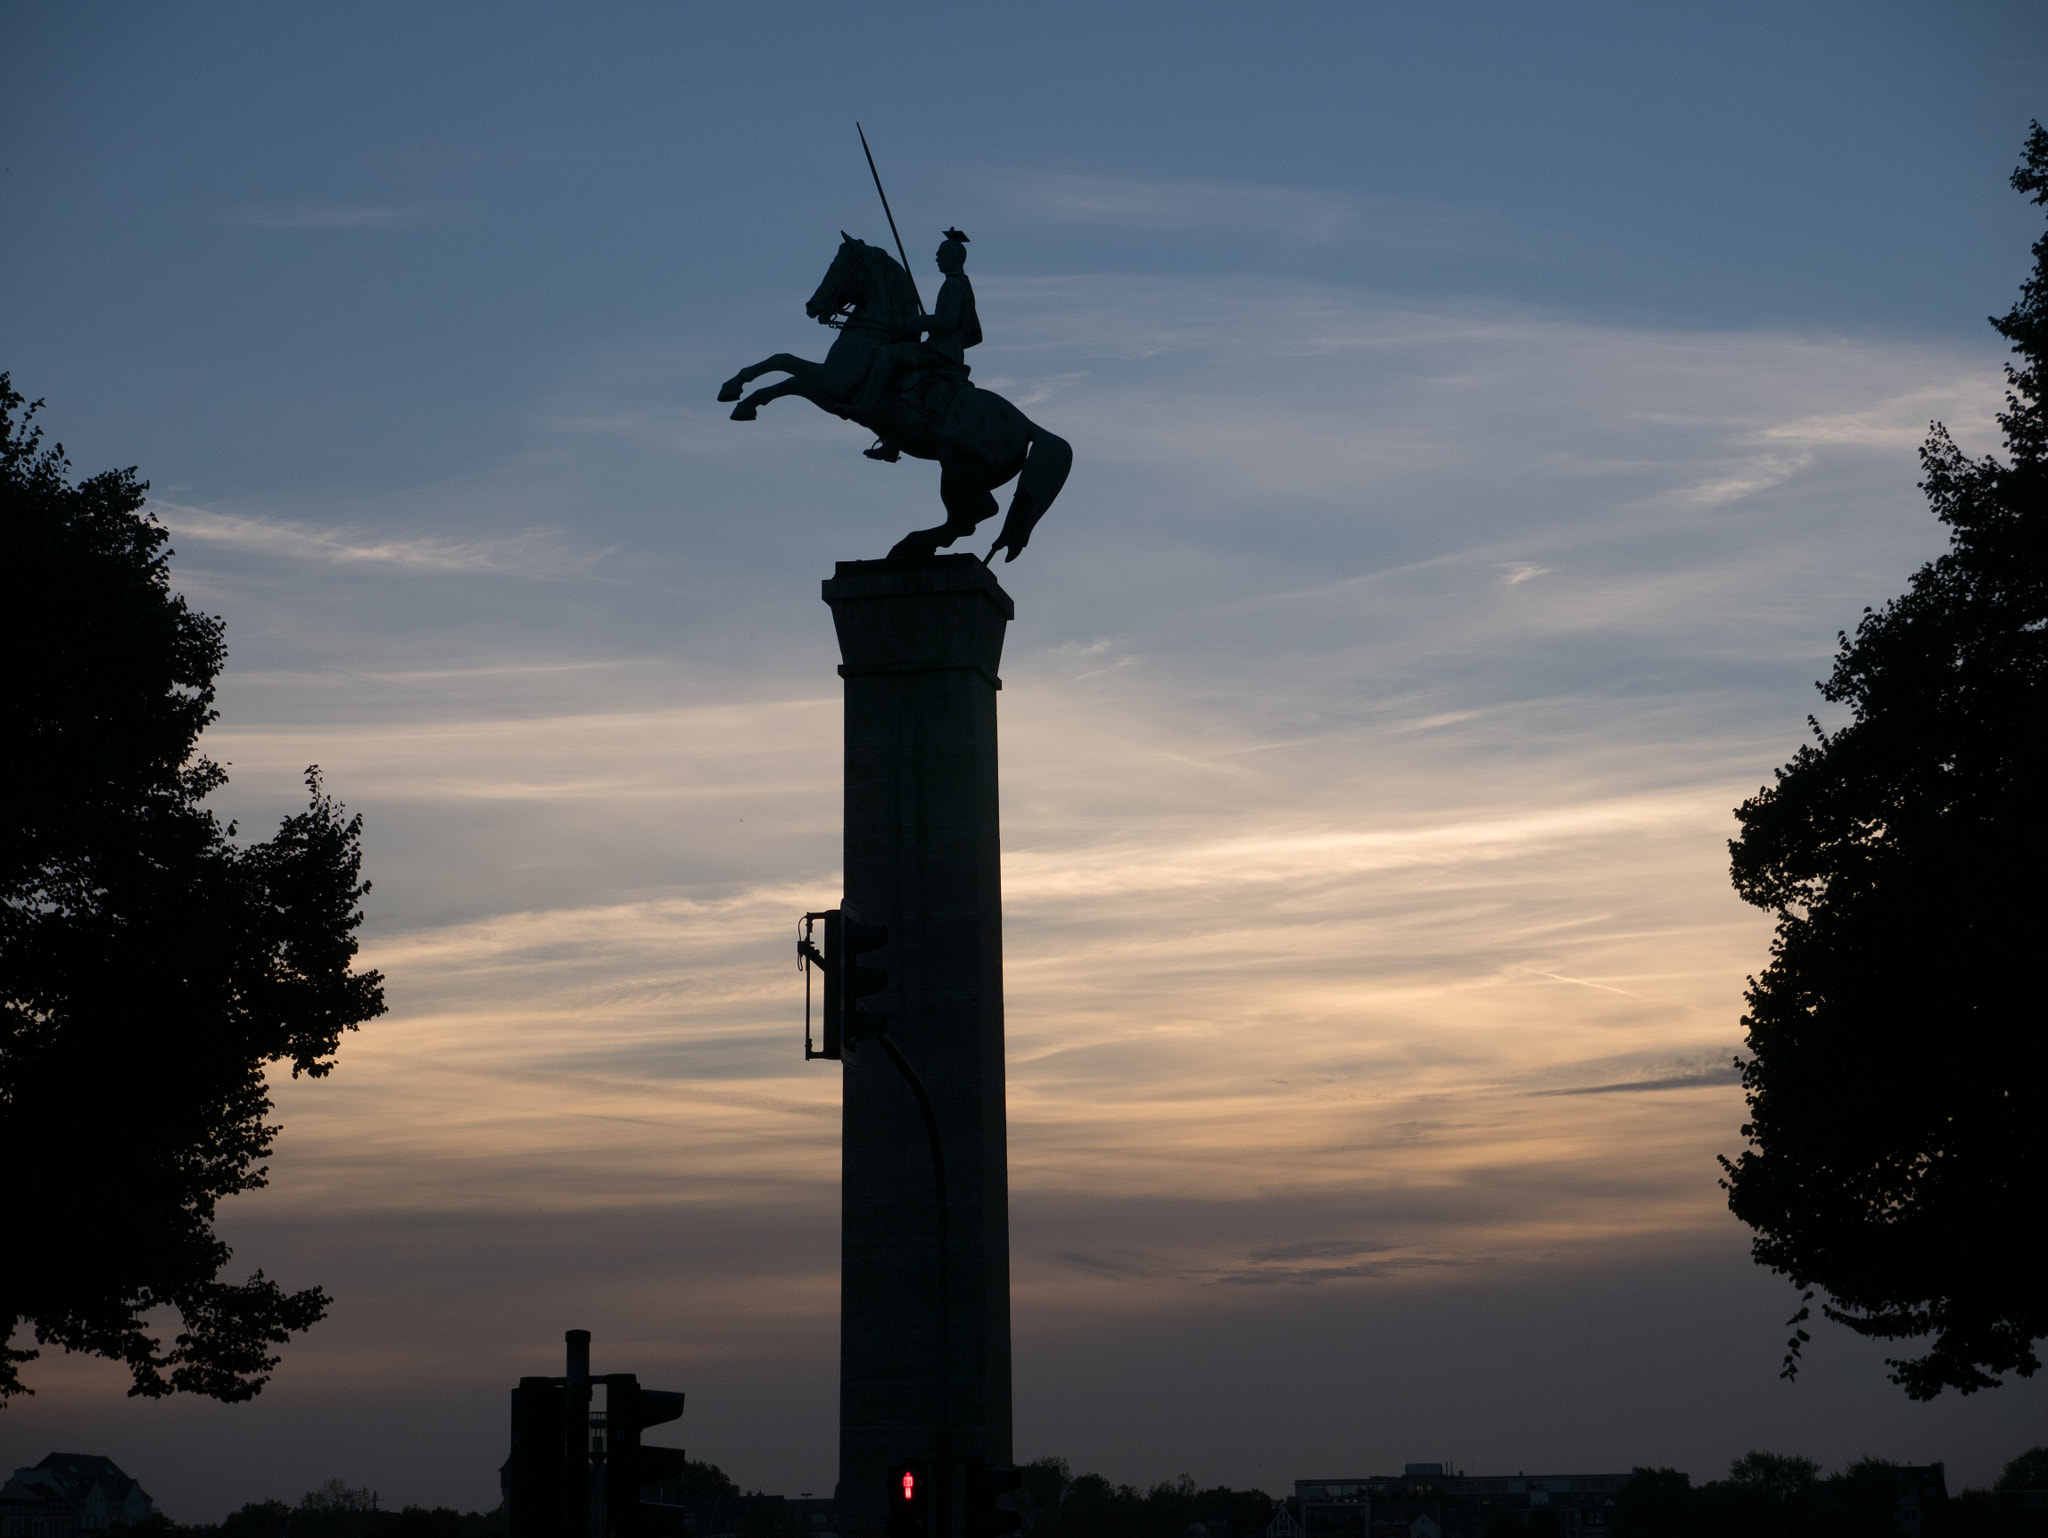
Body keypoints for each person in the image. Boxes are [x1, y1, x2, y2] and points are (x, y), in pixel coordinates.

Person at [860, 228, 983, 461]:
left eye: (942, 253)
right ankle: (892, 440)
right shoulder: (962, 284)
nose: (937, 257)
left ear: (956, 257)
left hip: (938, 353)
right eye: (938, 253)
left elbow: (947, 321)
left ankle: (865, 408)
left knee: (886, 355)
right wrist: (954, 342)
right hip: (948, 352)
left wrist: (915, 323)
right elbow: (974, 334)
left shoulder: (954, 285)